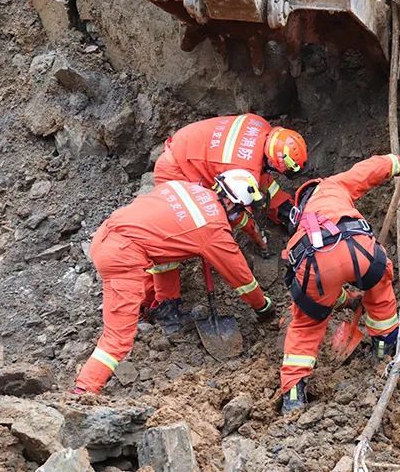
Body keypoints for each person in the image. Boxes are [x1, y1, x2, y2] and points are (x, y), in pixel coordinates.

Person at [73, 169, 275, 394]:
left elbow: (164, 229)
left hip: (108, 234)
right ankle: (84, 390)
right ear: (230, 203)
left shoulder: (184, 187)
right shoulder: (212, 230)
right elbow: (242, 279)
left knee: (169, 252)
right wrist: (263, 306)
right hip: (121, 256)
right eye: (241, 209)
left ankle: (163, 306)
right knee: (118, 338)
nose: (241, 214)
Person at [279, 153, 400, 413]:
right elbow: (368, 170)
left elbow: (320, 296)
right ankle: (383, 348)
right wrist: (399, 164)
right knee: (379, 286)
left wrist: (344, 301)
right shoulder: (332, 186)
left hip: (315, 265)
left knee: (306, 327)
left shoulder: (300, 227)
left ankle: (294, 395)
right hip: (359, 247)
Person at [149, 113, 308, 328]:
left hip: (191, 151)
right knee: (189, 232)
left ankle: (284, 212)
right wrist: (257, 238)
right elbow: (236, 212)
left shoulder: (260, 127)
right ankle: (164, 305)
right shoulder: (240, 169)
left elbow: (261, 180)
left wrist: (286, 211)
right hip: (177, 171)